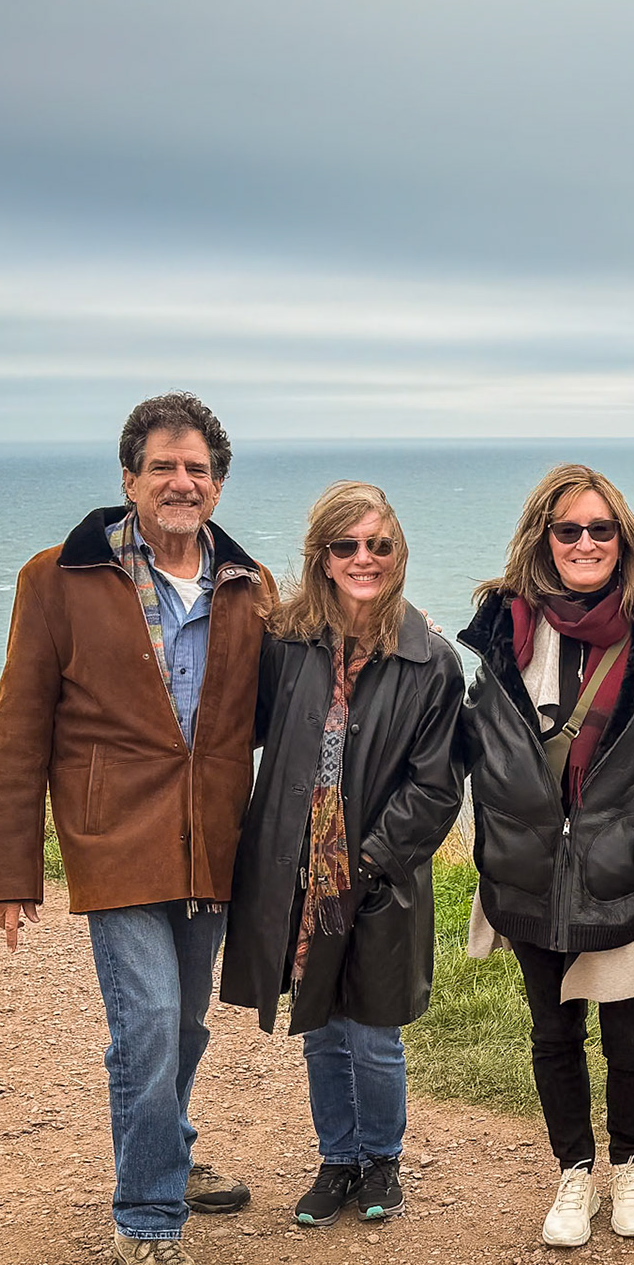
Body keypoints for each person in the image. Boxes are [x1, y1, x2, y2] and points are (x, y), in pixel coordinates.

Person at [0, 392, 274, 1265]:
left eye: (196, 469)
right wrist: (10, 868)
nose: (180, 482)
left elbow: (287, 713)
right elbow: (20, 727)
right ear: (129, 479)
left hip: (213, 843)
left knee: (185, 1024)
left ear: (217, 486)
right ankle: (146, 1221)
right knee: (146, 1026)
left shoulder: (250, 588)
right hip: (114, 841)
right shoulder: (57, 580)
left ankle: (169, 1149)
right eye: (162, 467)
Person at [221, 482, 464, 1227]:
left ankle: (383, 1160)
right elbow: (247, 729)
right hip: (295, 868)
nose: (365, 559)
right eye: (347, 546)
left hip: (376, 874)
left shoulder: (433, 662)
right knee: (318, 1024)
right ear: (322, 557)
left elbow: (436, 790)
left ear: (398, 554)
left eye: (379, 545)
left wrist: (365, 864)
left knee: (372, 1028)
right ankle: (338, 1161)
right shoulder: (287, 644)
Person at [459, 464, 634, 1247]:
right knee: (553, 1034)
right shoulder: (502, 627)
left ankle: (628, 1162)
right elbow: (470, 738)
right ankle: (574, 1170)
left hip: (625, 865)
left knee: (633, 1038)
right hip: (526, 867)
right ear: (542, 538)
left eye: (601, 530)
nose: (584, 543)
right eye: (568, 530)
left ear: (622, 540)